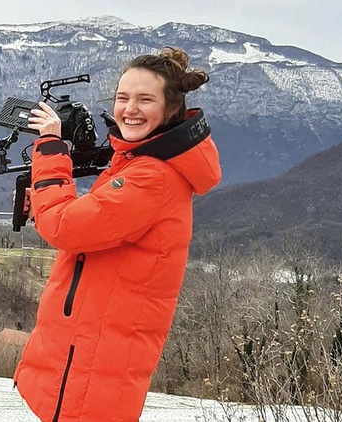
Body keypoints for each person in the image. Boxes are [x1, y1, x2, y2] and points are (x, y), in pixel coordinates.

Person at [13, 46, 222, 421]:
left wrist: (50, 147)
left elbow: (64, 226)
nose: (129, 109)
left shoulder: (152, 178)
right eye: (123, 98)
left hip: (94, 368)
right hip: (90, 357)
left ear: (171, 109)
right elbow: (96, 230)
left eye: (145, 99)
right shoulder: (144, 163)